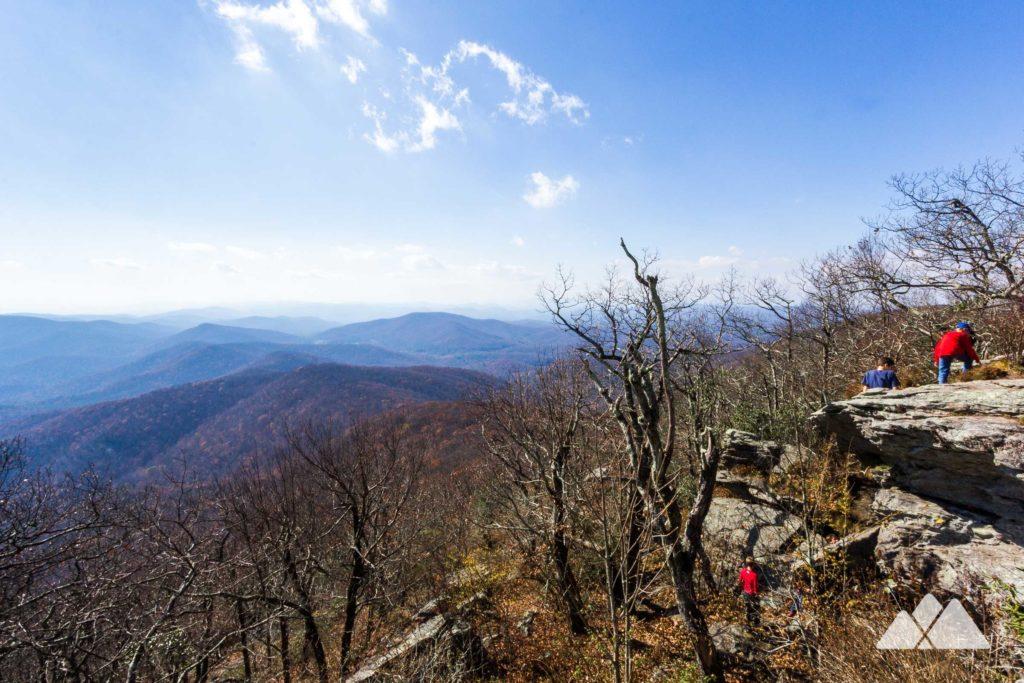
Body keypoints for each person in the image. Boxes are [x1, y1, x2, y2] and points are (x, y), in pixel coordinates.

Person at [738, 556, 760, 628]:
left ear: (746, 564)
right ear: (753, 564)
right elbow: (755, 587)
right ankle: (755, 623)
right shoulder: (754, 575)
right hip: (751, 594)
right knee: (755, 608)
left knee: (747, 607)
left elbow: (740, 581)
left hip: (745, 592)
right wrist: (757, 594)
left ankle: (747, 622)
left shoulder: (743, 571)